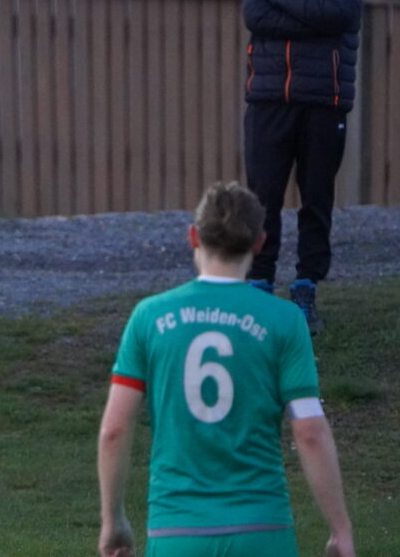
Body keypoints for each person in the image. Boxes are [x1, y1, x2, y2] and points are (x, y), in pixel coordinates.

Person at [96, 181, 354, 557]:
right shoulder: (284, 320)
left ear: (193, 237)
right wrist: (340, 529)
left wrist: (113, 520)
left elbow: (114, 431)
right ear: (260, 242)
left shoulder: (150, 317)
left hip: (176, 530)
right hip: (262, 528)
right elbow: (310, 431)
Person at [242, 0, 364, 333]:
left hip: (323, 99)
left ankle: (307, 286)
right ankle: (259, 285)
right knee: (263, 196)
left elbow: (343, 16)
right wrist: (312, 13)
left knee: (316, 198)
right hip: (269, 96)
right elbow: (254, 15)